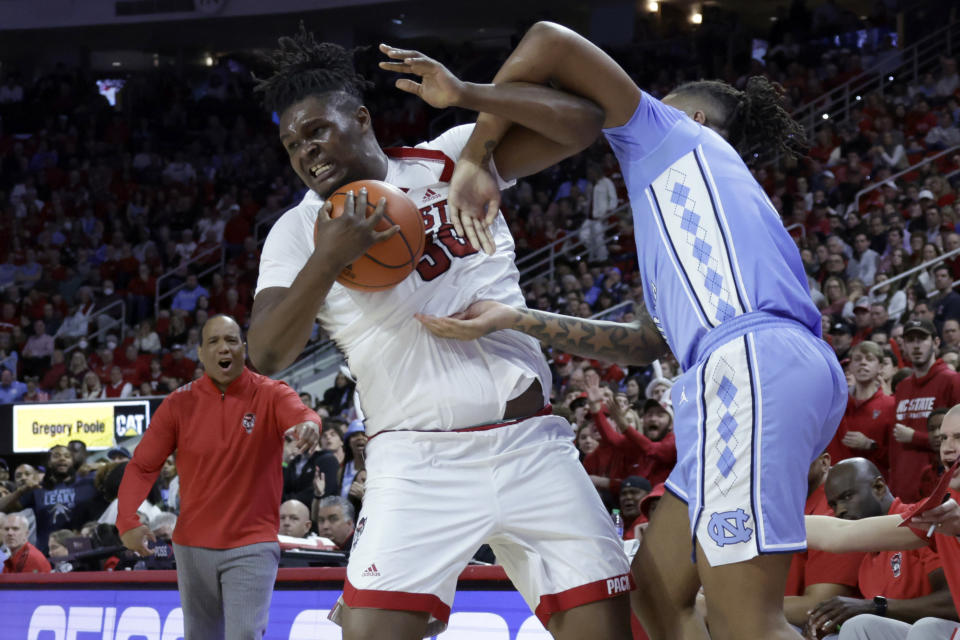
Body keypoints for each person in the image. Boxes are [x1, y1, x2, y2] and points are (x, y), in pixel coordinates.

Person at [404, 21, 846, 640]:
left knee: (745, 621)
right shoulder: (697, 200)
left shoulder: (670, 136)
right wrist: (515, 318)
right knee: (657, 596)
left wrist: (473, 138)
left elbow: (549, 41)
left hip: (750, 363)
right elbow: (646, 344)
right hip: (752, 367)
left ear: (688, 113)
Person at [247, 27, 632, 640]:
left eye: (316, 130)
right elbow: (265, 353)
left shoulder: (452, 156)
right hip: (417, 464)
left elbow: (583, 123)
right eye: (292, 144)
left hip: (531, 445)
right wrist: (331, 256)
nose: (305, 152)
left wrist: (470, 97)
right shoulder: (298, 232)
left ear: (361, 119)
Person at [116, 315, 321, 640]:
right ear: (199, 353)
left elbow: (301, 414)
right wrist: (126, 519)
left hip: (251, 544)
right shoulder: (178, 403)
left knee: (243, 635)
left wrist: (309, 423)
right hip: (191, 547)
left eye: (231, 340)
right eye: (213, 341)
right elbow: (142, 465)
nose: (223, 347)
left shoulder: (271, 393)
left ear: (243, 347)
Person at [805, 409, 960, 640]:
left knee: (926, 628)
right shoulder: (938, 508)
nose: (947, 447)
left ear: (878, 487)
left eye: (958, 437)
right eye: (943, 438)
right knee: (857, 627)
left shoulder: (941, 512)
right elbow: (839, 534)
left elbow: (948, 602)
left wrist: (877, 606)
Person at [783, 453, 863, 632]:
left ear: (824, 462)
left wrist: (732, 606)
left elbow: (819, 607)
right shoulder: (784, 506)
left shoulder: (838, 511)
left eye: (792, 452)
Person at [891, 319, 960, 502]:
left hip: (938, 490)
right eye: (911, 340)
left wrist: (915, 437)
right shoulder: (902, 387)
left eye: (922, 339)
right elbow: (896, 447)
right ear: (903, 345)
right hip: (902, 490)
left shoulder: (952, 381)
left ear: (936, 342)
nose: (916, 345)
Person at [0, 444, 105, 554]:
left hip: (80, 550)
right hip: (47, 551)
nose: (62, 458)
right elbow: (2, 507)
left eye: (67, 456)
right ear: (49, 462)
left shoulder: (88, 483)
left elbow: (118, 477)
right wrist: (20, 491)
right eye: (56, 455)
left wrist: (102, 466)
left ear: (72, 462)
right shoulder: (37, 488)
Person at [827, 341, 894, 476]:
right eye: (857, 359)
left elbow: (897, 456)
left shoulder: (891, 405)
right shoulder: (834, 403)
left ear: (880, 367)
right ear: (850, 367)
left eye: (869, 359)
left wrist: (870, 445)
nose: (863, 363)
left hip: (873, 485)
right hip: (836, 483)